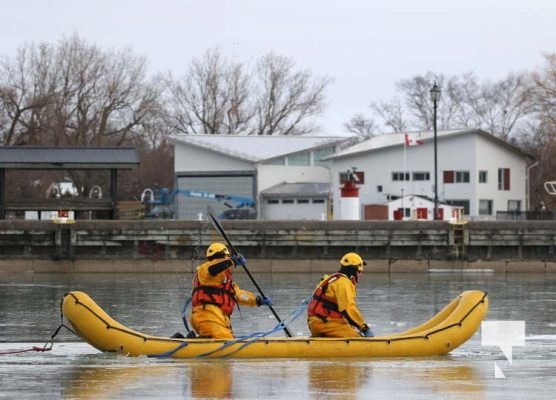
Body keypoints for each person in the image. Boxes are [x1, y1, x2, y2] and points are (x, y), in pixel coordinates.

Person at [189, 242, 272, 339]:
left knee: (227, 338)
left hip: (218, 318)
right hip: (206, 314)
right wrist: (232, 261)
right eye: (222, 258)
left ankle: (190, 341)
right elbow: (214, 268)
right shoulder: (205, 270)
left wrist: (258, 300)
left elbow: (240, 295)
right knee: (223, 338)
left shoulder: (228, 283)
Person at [307, 252, 374, 338]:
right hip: (327, 323)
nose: (360, 275)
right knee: (357, 339)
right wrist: (364, 328)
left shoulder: (332, 279)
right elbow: (348, 308)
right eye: (359, 271)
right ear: (353, 269)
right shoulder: (343, 283)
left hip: (317, 323)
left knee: (349, 330)